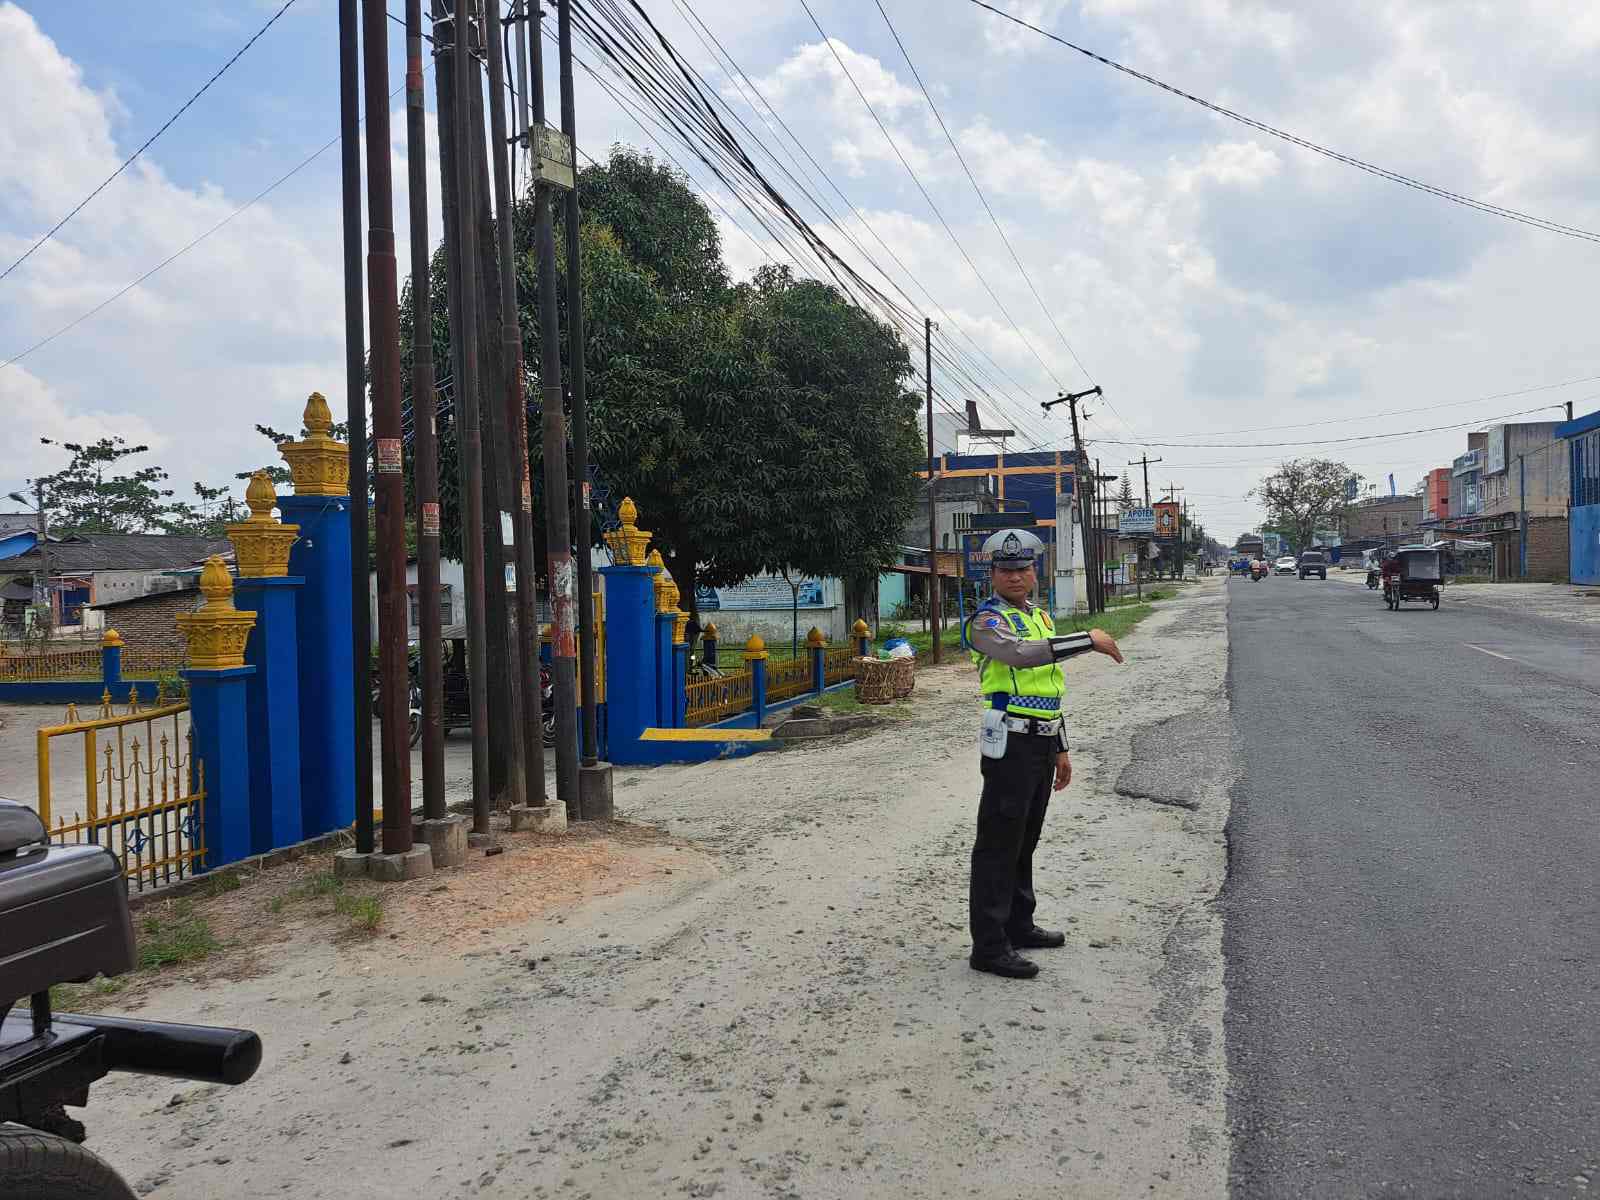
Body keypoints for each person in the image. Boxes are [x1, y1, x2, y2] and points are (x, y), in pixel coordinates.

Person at [965, 528, 1125, 980]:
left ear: (1034, 572)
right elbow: (1020, 657)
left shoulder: (1040, 617)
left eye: (1023, 568)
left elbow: (1049, 691)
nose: (1015, 577)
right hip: (1009, 743)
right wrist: (1087, 640)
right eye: (1006, 570)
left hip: (1039, 740)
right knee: (998, 844)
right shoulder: (986, 622)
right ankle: (989, 946)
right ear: (992, 574)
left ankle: (1018, 924)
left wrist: (1061, 748)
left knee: (1025, 840)